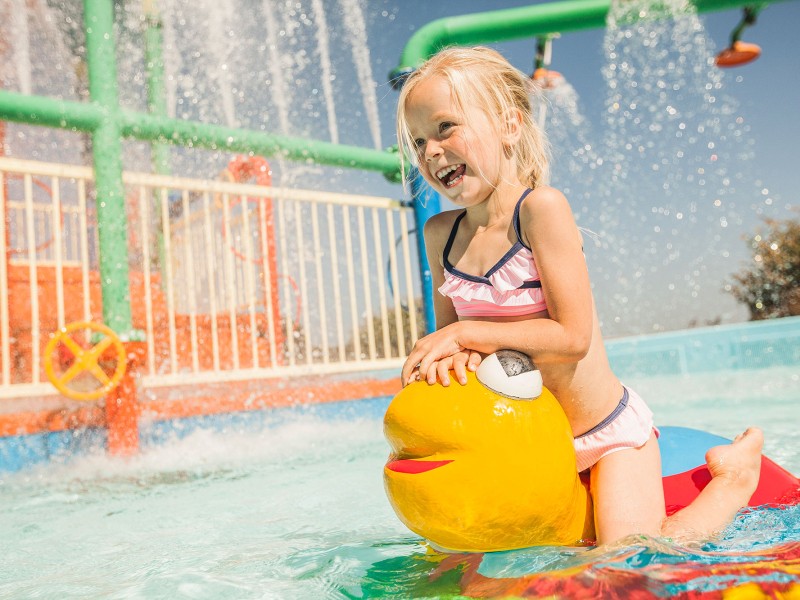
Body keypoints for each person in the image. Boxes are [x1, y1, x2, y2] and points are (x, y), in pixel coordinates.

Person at [396, 46, 763, 545]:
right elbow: (452, 343)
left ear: (509, 126)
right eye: (419, 142)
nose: (432, 151)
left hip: (602, 434)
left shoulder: (541, 210)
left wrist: (465, 331)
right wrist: (439, 358)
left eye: (445, 128)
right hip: (527, 447)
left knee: (631, 558)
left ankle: (735, 479)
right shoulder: (441, 232)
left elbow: (571, 336)